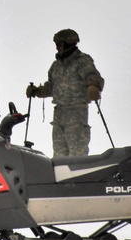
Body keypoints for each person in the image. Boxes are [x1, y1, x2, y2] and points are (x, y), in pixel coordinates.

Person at [25, 28, 104, 157]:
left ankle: (79, 177)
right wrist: (38, 91)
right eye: (56, 45)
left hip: (76, 113)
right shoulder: (56, 66)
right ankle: (61, 177)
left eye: (59, 44)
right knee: (59, 154)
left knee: (77, 154)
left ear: (68, 43)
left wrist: (93, 87)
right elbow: (51, 87)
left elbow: (93, 77)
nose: (57, 48)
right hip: (59, 114)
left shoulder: (82, 61)